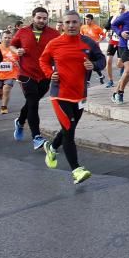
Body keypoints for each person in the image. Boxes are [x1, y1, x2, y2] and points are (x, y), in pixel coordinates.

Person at [39, 10, 106, 184]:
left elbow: (102, 60)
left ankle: (52, 147)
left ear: (79, 23)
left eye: (74, 22)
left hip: (80, 95)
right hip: (60, 95)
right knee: (69, 131)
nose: (71, 25)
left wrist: (94, 65)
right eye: (67, 22)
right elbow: (43, 61)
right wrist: (49, 73)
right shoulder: (55, 44)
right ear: (62, 24)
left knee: (70, 127)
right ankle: (77, 169)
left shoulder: (88, 42)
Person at [10, 7, 61, 149]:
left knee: (32, 102)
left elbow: (59, 50)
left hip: (45, 74)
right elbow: (12, 45)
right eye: (39, 18)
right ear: (33, 17)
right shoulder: (23, 32)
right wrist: (17, 51)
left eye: (44, 18)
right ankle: (36, 137)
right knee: (33, 103)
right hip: (26, 73)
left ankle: (20, 122)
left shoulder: (54, 33)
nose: (42, 21)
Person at [0, 30, 20, 114]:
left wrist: (18, 64)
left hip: (11, 73)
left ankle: (4, 107)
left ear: (12, 38)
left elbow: (21, 62)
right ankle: (2, 97)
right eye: (5, 37)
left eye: (9, 38)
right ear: (1, 38)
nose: (7, 39)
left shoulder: (14, 49)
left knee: (6, 89)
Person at [104, 4, 128, 88]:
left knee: (119, 64)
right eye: (119, 8)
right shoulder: (113, 17)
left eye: (122, 8)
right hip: (113, 41)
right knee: (108, 61)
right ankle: (110, 81)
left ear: (125, 10)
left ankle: (123, 69)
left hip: (121, 42)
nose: (121, 10)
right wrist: (107, 33)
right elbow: (107, 27)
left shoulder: (126, 18)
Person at [80, 14, 108, 84]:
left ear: (92, 20)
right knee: (89, 62)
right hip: (85, 48)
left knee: (92, 63)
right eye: (85, 19)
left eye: (88, 19)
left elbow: (103, 35)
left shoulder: (96, 28)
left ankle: (89, 80)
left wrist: (99, 40)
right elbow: (81, 35)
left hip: (94, 48)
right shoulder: (83, 27)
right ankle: (92, 79)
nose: (86, 21)